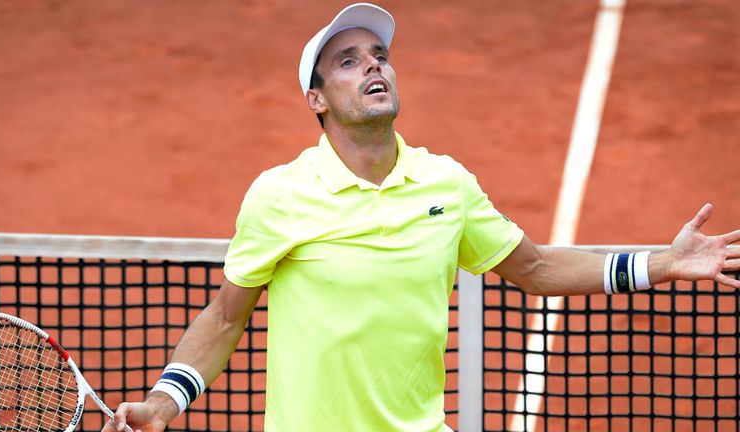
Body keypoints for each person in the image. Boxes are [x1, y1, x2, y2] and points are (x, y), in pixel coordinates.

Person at [104, 3, 740, 432]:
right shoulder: (279, 196)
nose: (373, 65)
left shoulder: (446, 183)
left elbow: (537, 267)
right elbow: (224, 315)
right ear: (316, 100)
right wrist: (166, 399)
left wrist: (666, 263)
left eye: (378, 53)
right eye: (348, 61)